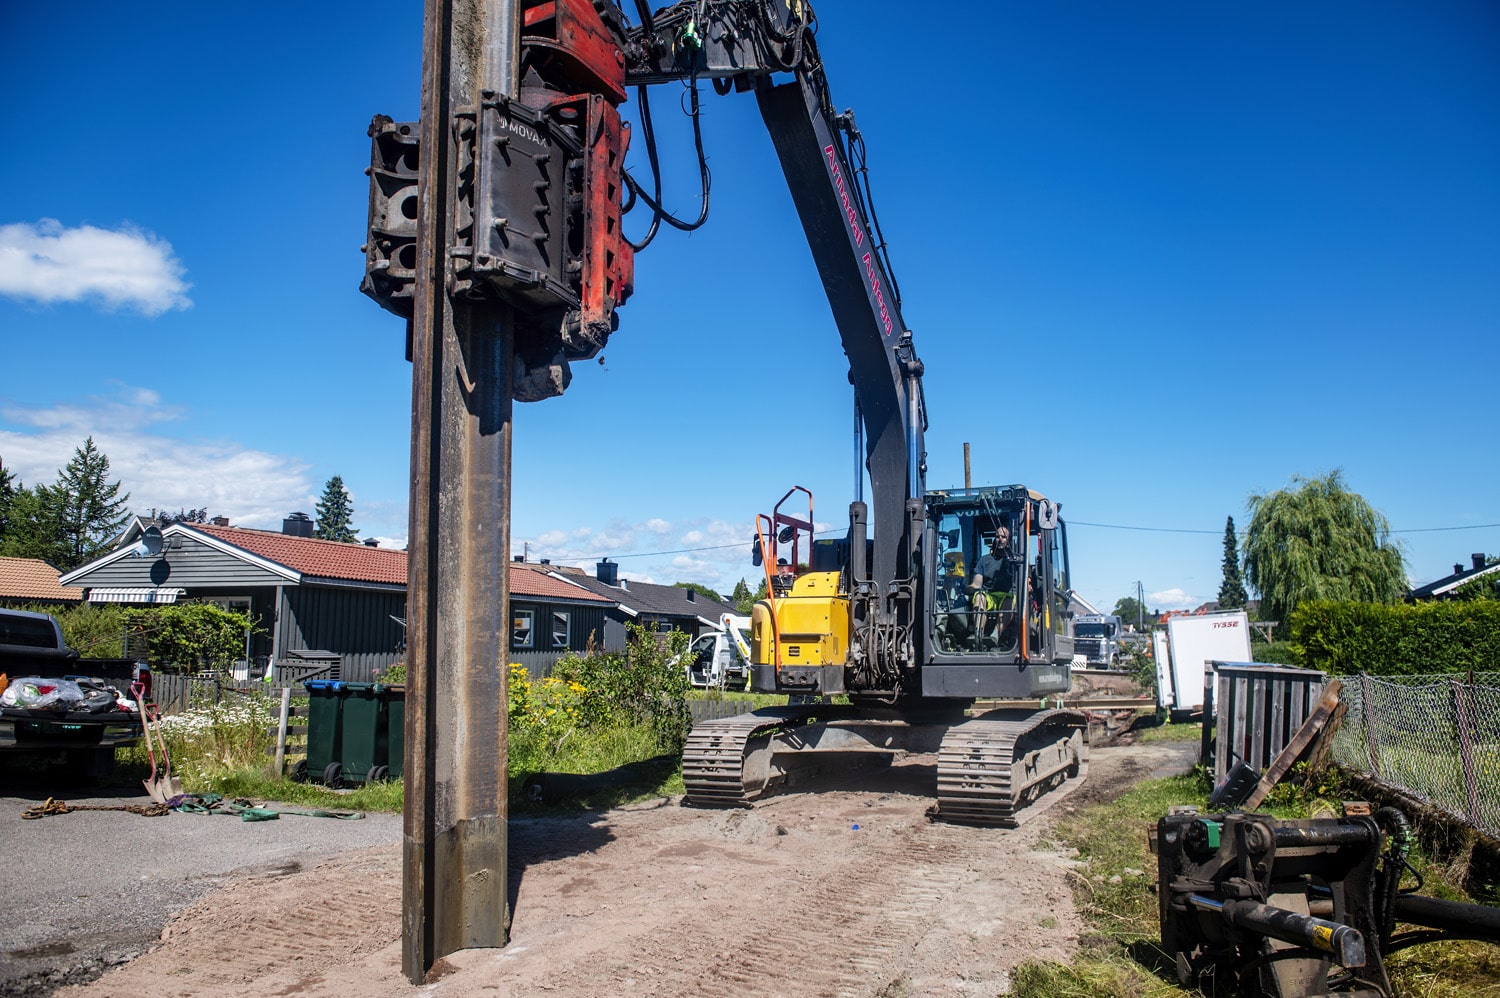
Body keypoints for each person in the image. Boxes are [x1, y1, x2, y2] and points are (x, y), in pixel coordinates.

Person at [968, 525, 1015, 648]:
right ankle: (978, 636)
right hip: (989, 596)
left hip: (1008, 595)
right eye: (997, 536)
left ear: (1009, 540)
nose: (1000, 539)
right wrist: (970, 588)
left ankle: (995, 636)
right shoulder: (985, 560)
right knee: (979, 597)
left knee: (1009, 601)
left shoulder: (1016, 562)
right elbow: (977, 583)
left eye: (1003, 537)